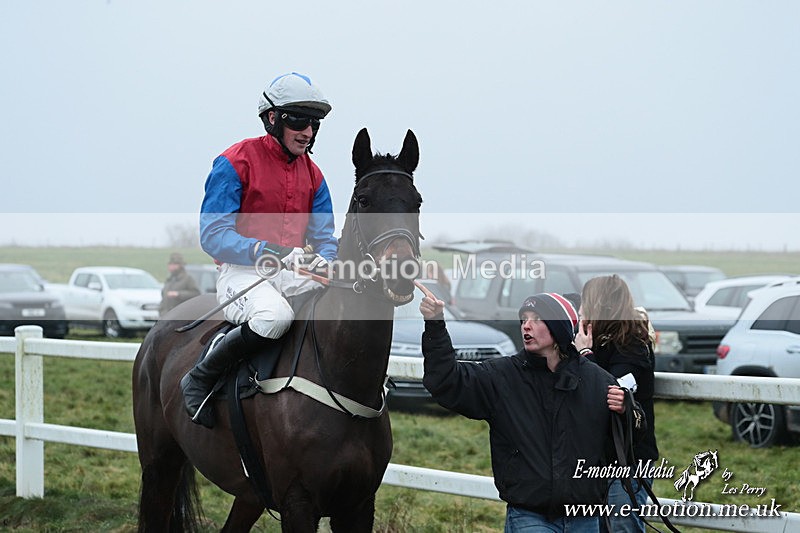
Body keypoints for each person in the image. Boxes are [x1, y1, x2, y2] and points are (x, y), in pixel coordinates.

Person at [181, 72, 339, 427]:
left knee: (343, 300)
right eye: (298, 121)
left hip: (293, 273)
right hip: (241, 273)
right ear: (273, 118)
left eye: (314, 123)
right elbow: (213, 235)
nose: (308, 132)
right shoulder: (235, 161)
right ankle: (200, 378)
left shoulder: (314, 176)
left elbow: (326, 237)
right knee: (275, 317)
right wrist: (272, 252)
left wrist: (327, 262)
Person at [418, 285, 632, 533]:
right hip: (529, 516)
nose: (526, 326)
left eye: (537, 320)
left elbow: (627, 444)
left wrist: (628, 411)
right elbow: (445, 381)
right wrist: (435, 324)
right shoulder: (502, 376)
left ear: (560, 329)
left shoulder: (598, 380)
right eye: (524, 320)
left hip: (585, 517)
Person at [574, 275, 658, 533]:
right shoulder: (595, 341)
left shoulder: (632, 345)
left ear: (600, 304)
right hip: (596, 457)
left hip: (628, 458)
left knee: (622, 525)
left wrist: (584, 355)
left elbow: (611, 390)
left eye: (585, 302)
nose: (580, 310)